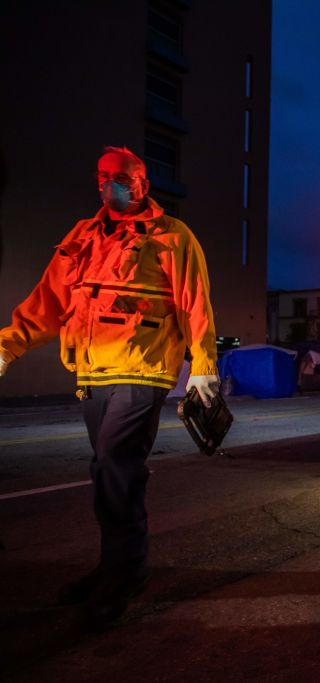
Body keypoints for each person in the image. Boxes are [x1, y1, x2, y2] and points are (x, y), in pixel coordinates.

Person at [0, 146, 220, 628]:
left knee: (114, 465)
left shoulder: (171, 236)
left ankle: (120, 576)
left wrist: (203, 367)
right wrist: (7, 347)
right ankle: (119, 566)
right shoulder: (81, 236)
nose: (109, 185)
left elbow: (195, 303)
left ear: (142, 183)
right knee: (108, 473)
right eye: (102, 177)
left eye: (120, 178)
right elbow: (47, 302)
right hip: (92, 371)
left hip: (143, 368)